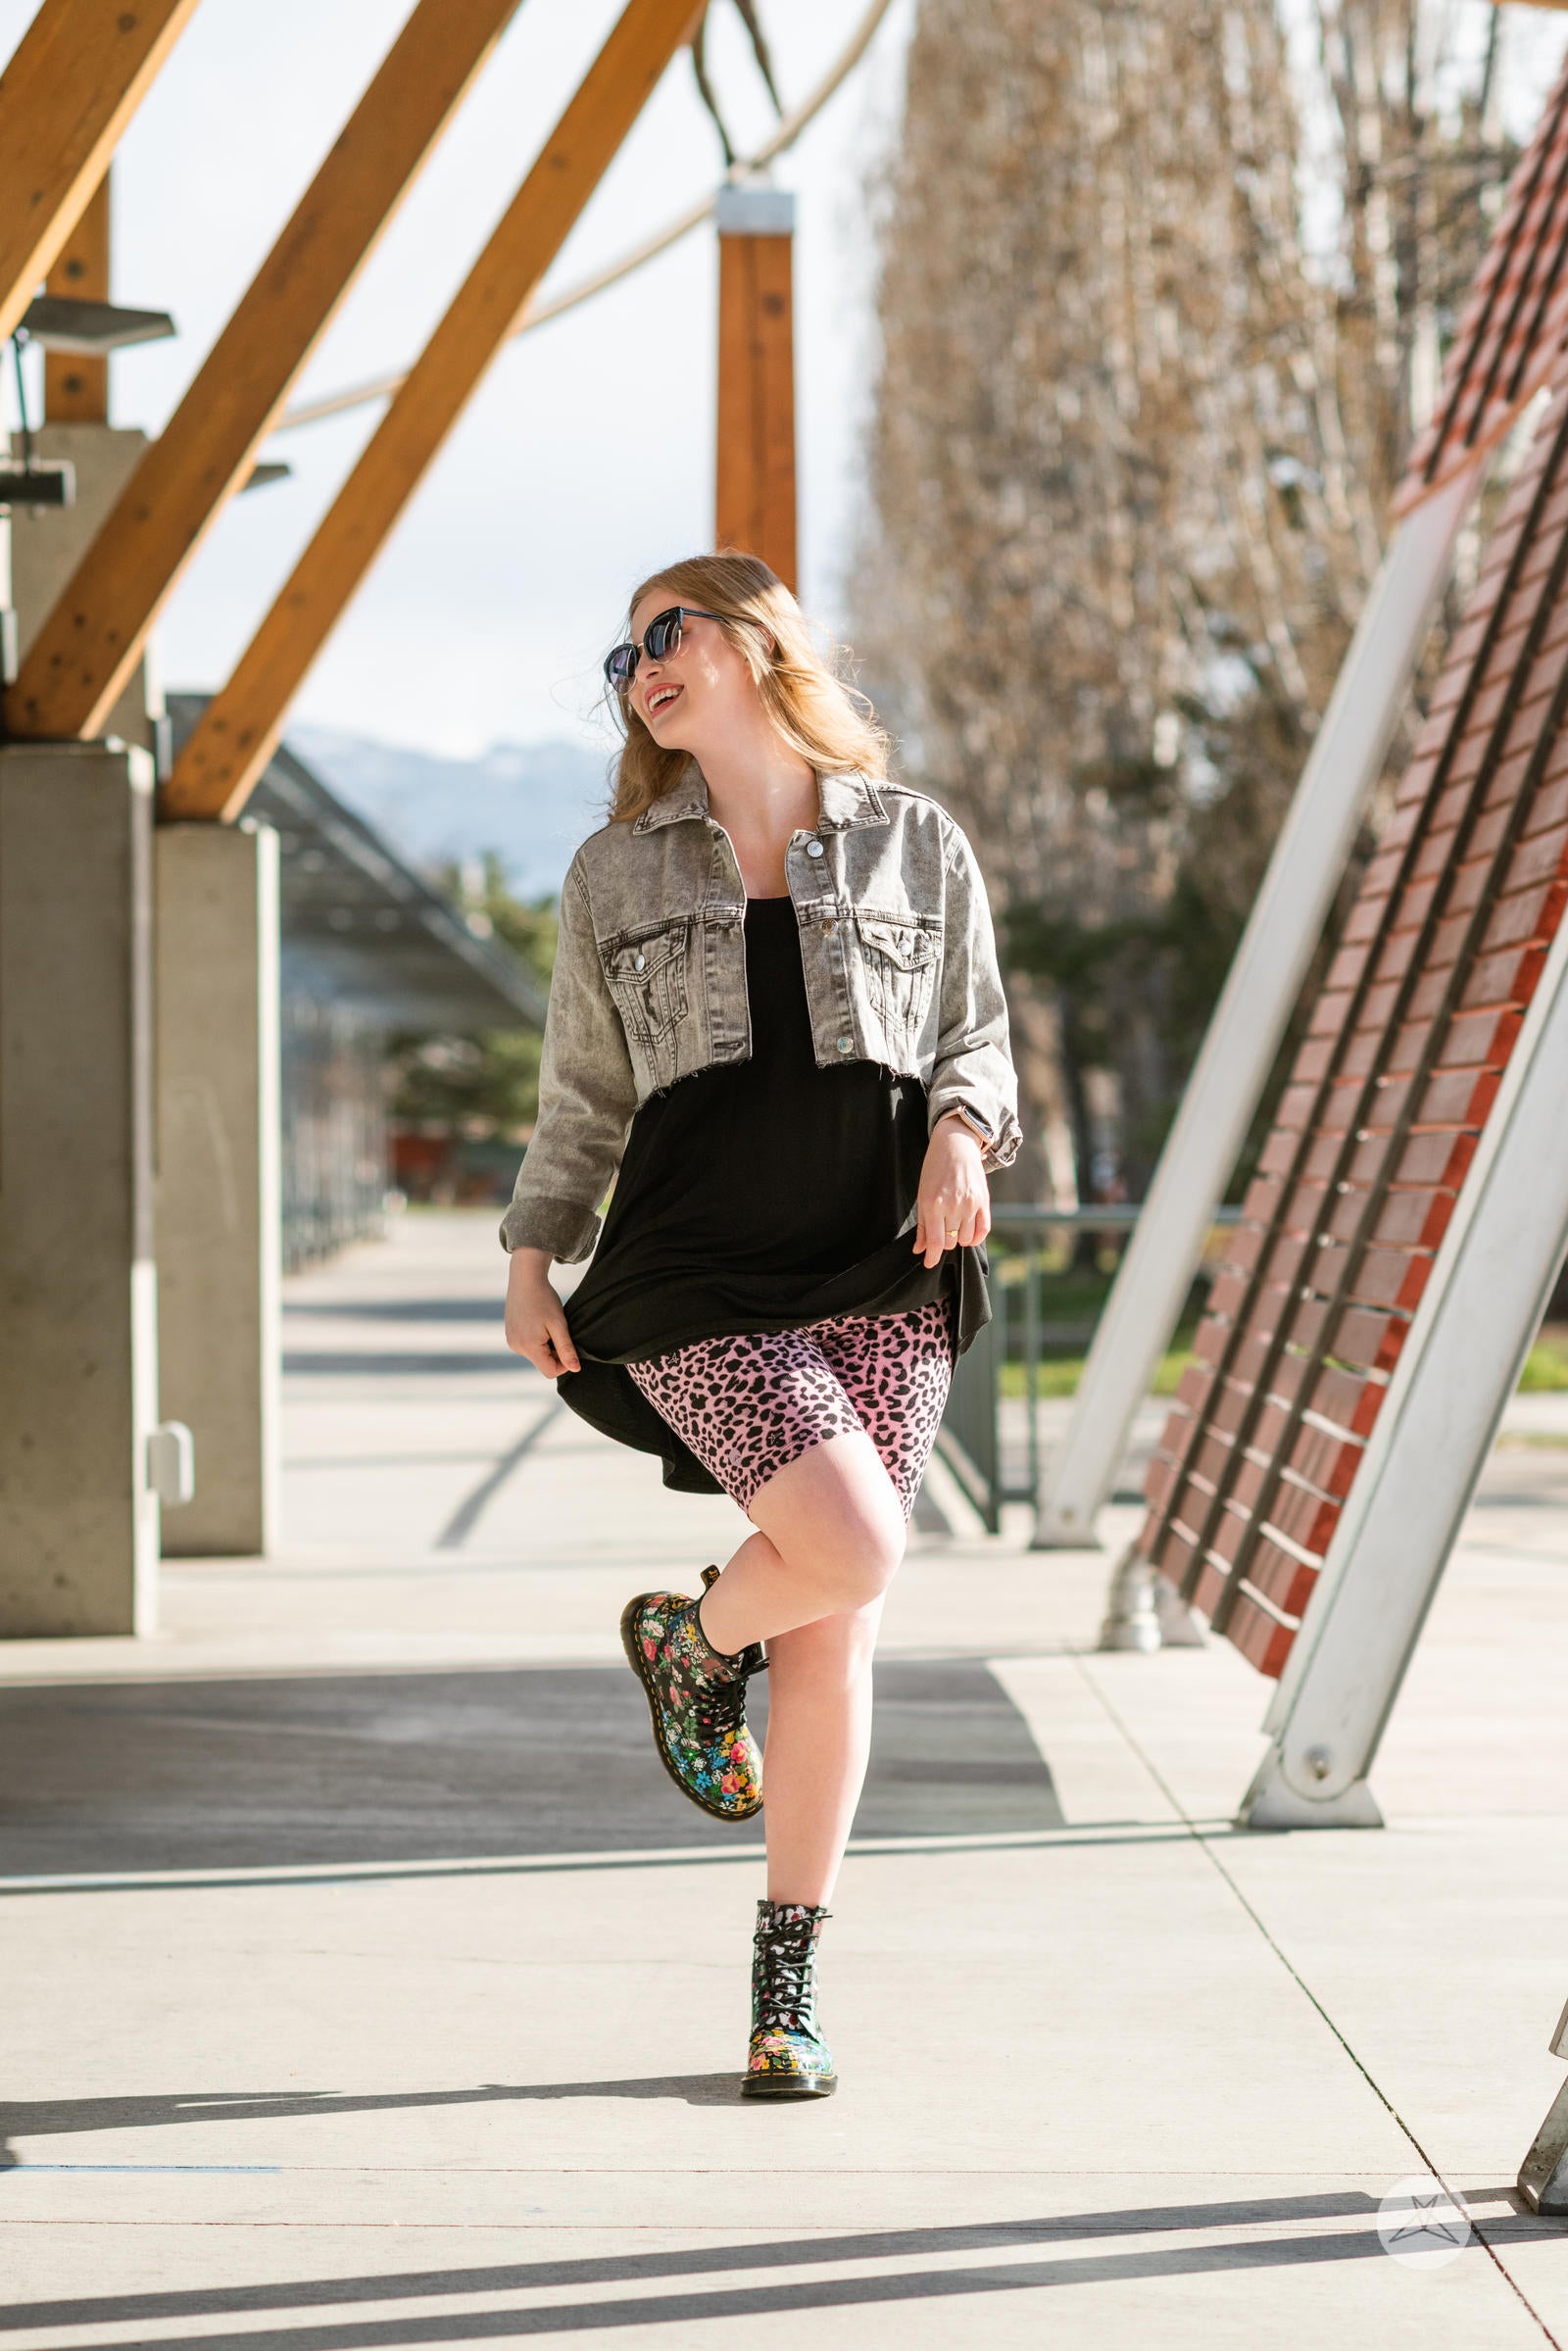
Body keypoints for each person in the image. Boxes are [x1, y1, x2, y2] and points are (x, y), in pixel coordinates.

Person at [501, 552, 1021, 2098]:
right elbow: (583, 1099)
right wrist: (537, 1256)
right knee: (853, 1548)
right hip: (695, 1267)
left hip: (882, 1252)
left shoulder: (916, 842)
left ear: (757, 642)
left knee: (837, 1627)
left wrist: (963, 1136)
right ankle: (688, 1639)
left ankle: (784, 1993)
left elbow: (974, 1034)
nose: (641, 664)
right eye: (626, 653)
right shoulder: (616, 872)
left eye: (669, 631)